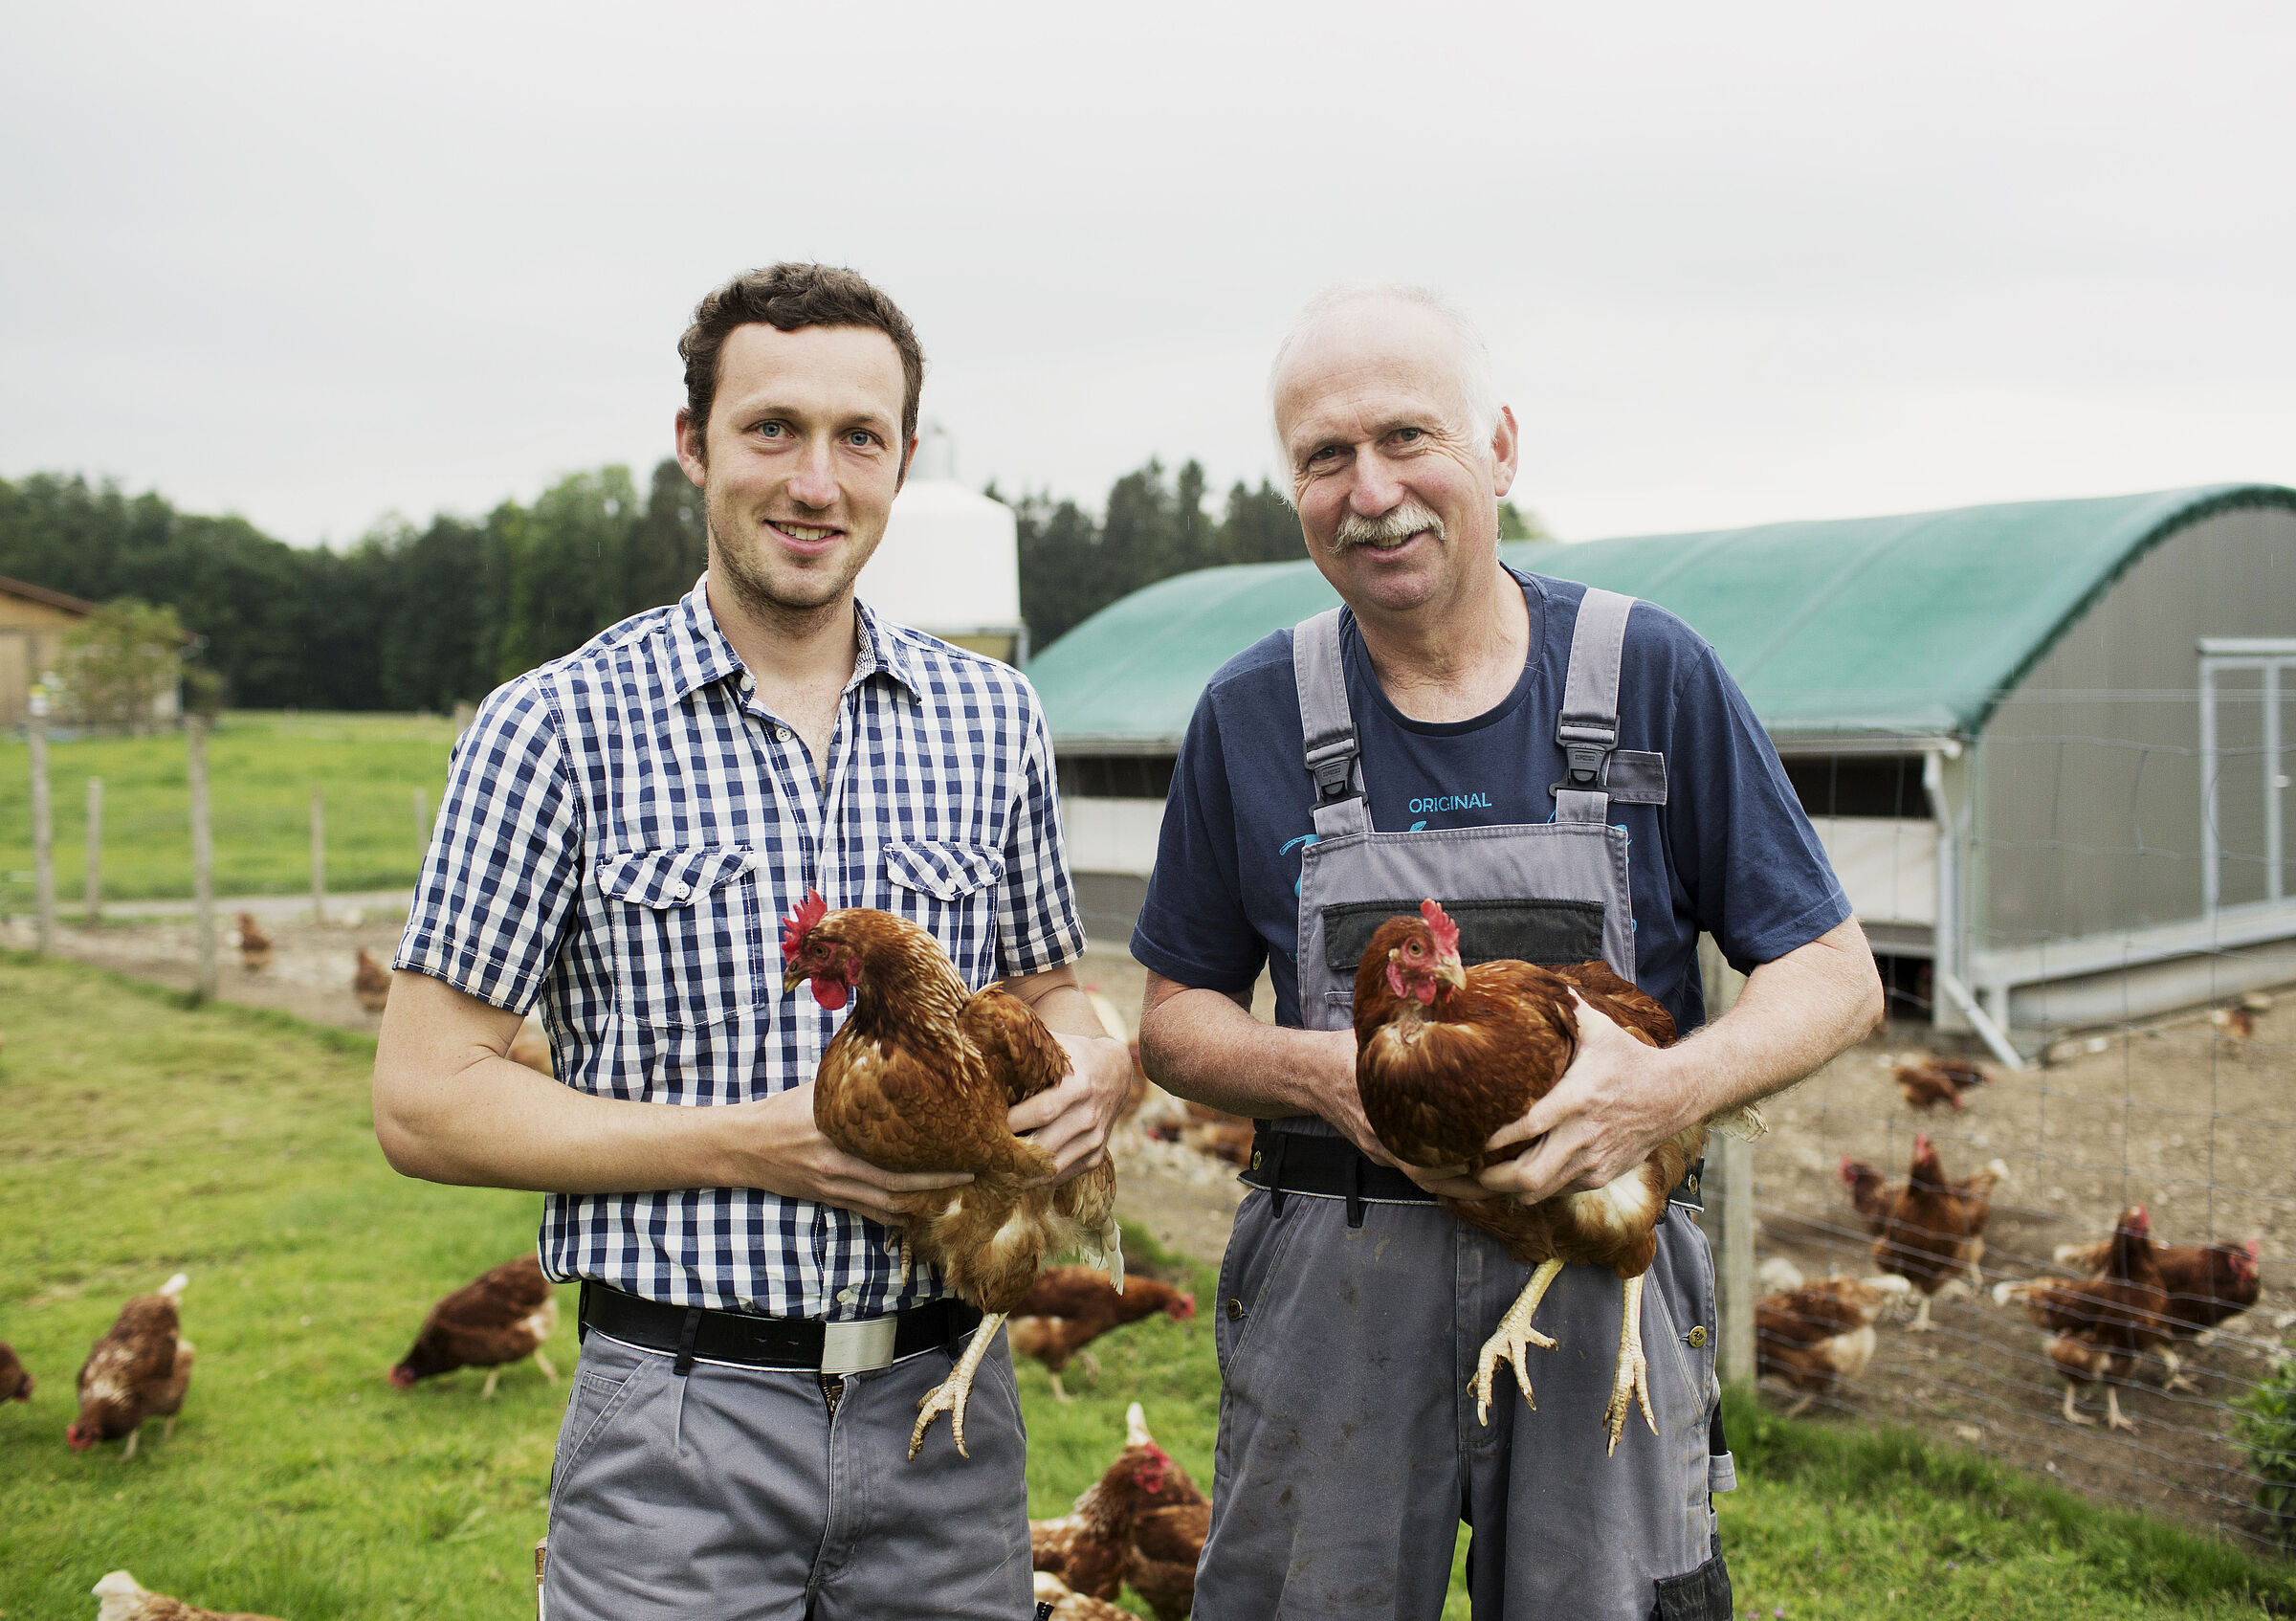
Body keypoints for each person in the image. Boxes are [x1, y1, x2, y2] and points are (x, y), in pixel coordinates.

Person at [372, 262, 1133, 1621]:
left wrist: (1099, 1060)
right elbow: (426, 1100)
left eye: (860, 438)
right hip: (678, 1422)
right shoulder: (553, 727)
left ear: (902, 461)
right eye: (771, 428)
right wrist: (747, 1141)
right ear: (694, 447)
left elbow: (1050, 991)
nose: (816, 482)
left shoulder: (990, 716)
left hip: (945, 1415)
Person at [1132, 284, 1884, 1620]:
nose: (1372, 490)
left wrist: (1666, 1091)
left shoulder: (1649, 670)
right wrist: (1322, 1071)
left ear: (1501, 446)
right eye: (1325, 456)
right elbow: (1175, 1015)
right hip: (1341, 1275)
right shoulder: (1253, 709)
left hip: (1596, 1266)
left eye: (1408, 437)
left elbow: (1834, 971)